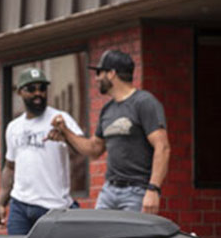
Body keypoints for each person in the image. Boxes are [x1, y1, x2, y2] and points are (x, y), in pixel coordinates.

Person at [47, 50, 170, 214]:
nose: (97, 78)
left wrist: (153, 189)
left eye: (99, 73)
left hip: (137, 192)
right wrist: (66, 133)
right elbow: (94, 149)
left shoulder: (144, 102)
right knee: (98, 237)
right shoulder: (108, 109)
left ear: (112, 73)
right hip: (109, 191)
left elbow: (163, 147)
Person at [0, 68, 83, 235]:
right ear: (20, 92)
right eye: (31, 89)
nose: (38, 94)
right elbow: (10, 167)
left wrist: (66, 136)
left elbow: (84, 150)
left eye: (42, 88)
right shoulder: (13, 127)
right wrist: (0, 203)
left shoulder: (60, 119)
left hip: (53, 207)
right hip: (19, 206)